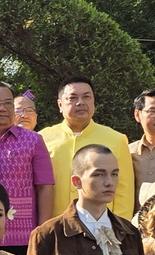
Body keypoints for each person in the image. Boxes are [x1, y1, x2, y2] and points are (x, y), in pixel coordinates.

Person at [0, 81, 54, 255]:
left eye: (8, 103)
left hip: (23, 234)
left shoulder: (33, 140)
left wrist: (42, 232)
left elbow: (45, 186)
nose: (2, 108)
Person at [41, 77, 136, 220]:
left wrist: (120, 228)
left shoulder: (116, 139)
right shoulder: (42, 139)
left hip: (102, 226)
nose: (80, 102)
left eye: (86, 97)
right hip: (56, 225)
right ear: (60, 105)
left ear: (93, 102)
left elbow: (124, 190)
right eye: (72, 98)